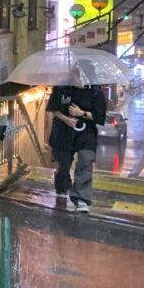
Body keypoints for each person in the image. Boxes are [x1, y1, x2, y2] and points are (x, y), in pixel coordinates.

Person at [46, 63, 107, 213]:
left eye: (81, 76)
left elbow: (100, 117)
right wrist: (66, 119)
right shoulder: (62, 88)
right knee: (64, 164)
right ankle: (62, 185)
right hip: (63, 132)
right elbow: (53, 109)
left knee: (85, 162)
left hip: (86, 134)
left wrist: (82, 114)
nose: (78, 79)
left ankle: (81, 198)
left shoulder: (95, 92)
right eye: (75, 75)